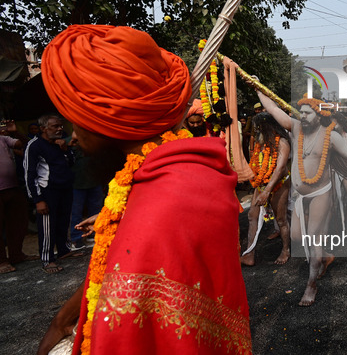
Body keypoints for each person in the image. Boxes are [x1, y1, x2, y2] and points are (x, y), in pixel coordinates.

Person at [37, 25, 251, 354]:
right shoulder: (176, 171)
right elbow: (115, 260)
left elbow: (127, 332)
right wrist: (64, 318)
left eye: (76, 122)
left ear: (106, 121)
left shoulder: (165, 203)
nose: (73, 137)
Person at [256, 92, 347, 306]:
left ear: (319, 114)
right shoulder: (296, 128)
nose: (302, 116)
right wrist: (258, 89)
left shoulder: (331, 136)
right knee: (296, 236)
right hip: (300, 195)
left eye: (307, 112)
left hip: (320, 194)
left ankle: (311, 285)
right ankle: (326, 256)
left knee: (314, 239)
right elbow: (274, 110)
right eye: (301, 112)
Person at [24, 114, 77, 274]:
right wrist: (37, 200)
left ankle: (64, 250)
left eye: (60, 126)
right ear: (43, 129)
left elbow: (72, 162)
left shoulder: (59, 144)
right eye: (55, 126)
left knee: (63, 220)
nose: (60, 129)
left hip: (65, 188)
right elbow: (29, 174)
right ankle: (47, 259)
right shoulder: (34, 146)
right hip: (47, 191)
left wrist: (66, 150)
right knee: (47, 225)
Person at [240, 112, 291, 266]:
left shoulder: (282, 142)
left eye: (258, 128)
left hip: (278, 184)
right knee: (252, 216)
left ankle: (285, 250)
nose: (256, 131)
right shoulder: (261, 143)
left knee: (281, 219)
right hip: (262, 185)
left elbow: (280, 168)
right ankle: (249, 254)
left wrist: (267, 191)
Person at [0, 120, 37, 274]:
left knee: (18, 221)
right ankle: (1, 261)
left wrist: (15, 132)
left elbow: (29, 146)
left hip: (12, 187)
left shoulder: (3, 138)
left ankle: (16, 255)